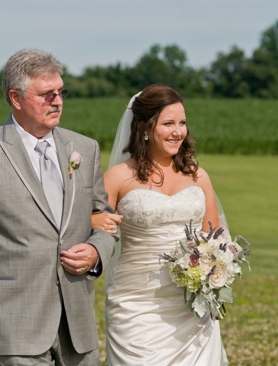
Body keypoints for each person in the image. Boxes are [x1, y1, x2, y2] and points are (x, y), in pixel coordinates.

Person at [0, 49, 117, 365]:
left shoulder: (84, 149)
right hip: (14, 321)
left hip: (77, 321)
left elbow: (103, 219)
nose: (58, 101)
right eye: (47, 94)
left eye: (61, 92)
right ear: (16, 98)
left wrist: (96, 251)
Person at [92, 84, 228, 365]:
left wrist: (214, 272)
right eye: (168, 123)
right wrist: (94, 219)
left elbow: (216, 238)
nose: (178, 131)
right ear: (144, 126)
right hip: (136, 305)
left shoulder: (198, 176)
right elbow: (86, 222)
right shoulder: (118, 177)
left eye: (183, 123)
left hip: (190, 308)